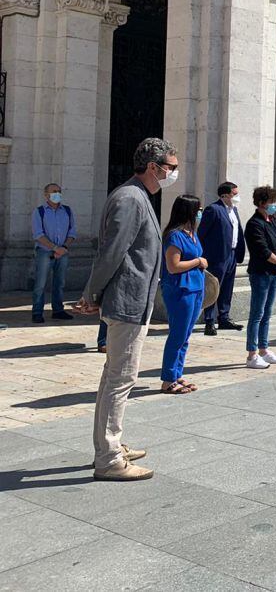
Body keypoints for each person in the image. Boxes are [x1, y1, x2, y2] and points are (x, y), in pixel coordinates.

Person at [74, 137, 179, 482]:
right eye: (171, 167)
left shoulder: (136, 196)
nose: (173, 174)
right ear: (153, 167)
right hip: (127, 300)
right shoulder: (131, 198)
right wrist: (91, 293)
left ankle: (110, 445)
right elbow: (112, 251)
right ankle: (108, 458)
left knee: (113, 376)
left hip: (132, 299)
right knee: (121, 378)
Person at [159, 195, 207, 394]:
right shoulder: (175, 235)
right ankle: (168, 379)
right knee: (177, 335)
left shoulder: (192, 233)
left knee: (185, 336)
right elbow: (173, 266)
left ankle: (177, 373)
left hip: (196, 288)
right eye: (198, 209)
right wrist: (198, 262)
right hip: (180, 290)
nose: (200, 213)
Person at [244, 186, 276, 368]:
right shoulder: (254, 224)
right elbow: (262, 249)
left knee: (267, 313)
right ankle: (252, 354)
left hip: (274, 273)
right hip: (261, 272)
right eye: (271, 202)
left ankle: (264, 349)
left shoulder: (272, 220)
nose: (275, 205)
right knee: (257, 313)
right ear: (262, 203)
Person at [197, 181, 245, 336]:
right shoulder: (213, 209)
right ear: (225, 195)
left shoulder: (234, 210)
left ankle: (224, 317)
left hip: (231, 254)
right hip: (216, 256)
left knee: (227, 288)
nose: (237, 196)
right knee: (213, 288)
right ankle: (209, 321)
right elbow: (202, 233)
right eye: (234, 194)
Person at [31, 183, 76, 324]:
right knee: (40, 284)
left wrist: (63, 248)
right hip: (45, 252)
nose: (57, 193)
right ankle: (37, 312)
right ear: (46, 195)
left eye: (59, 191)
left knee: (60, 283)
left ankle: (58, 310)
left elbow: (72, 232)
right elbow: (38, 234)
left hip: (63, 252)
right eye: (54, 191)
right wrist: (55, 248)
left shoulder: (67, 211)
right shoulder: (39, 212)